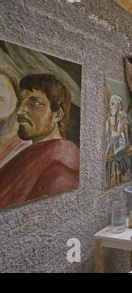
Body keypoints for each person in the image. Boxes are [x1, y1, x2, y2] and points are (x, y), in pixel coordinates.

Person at [0, 74, 80, 209]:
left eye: (34, 103)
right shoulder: (31, 153)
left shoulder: (60, 169)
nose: (20, 111)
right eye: (20, 101)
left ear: (57, 115)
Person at [105, 95, 132, 188]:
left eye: (113, 105)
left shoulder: (124, 121)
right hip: (111, 165)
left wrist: (112, 126)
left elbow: (121, 146)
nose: (110, 107)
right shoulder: (109, 121)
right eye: (110, 105)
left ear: (118, 105)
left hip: (123, 164)